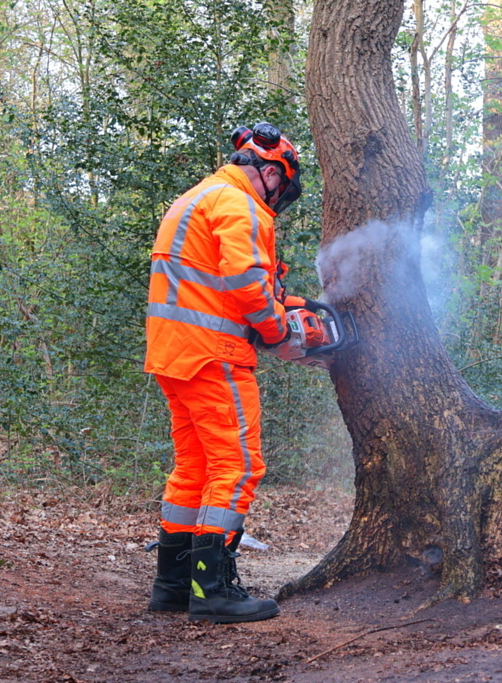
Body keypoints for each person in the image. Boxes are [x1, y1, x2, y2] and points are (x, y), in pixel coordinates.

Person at [143, 122, 310, 623]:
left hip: (174, 353)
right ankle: (211, 589)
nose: (278, 197)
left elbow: (217, 281)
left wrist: (277, 308)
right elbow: (244, 282)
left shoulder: (197, 197)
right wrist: (280, 331)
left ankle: (172, 585)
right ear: (267, 171)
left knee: (194, 469)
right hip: (214, 354)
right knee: (237, 468)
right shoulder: (240, 205)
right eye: (280, 185)